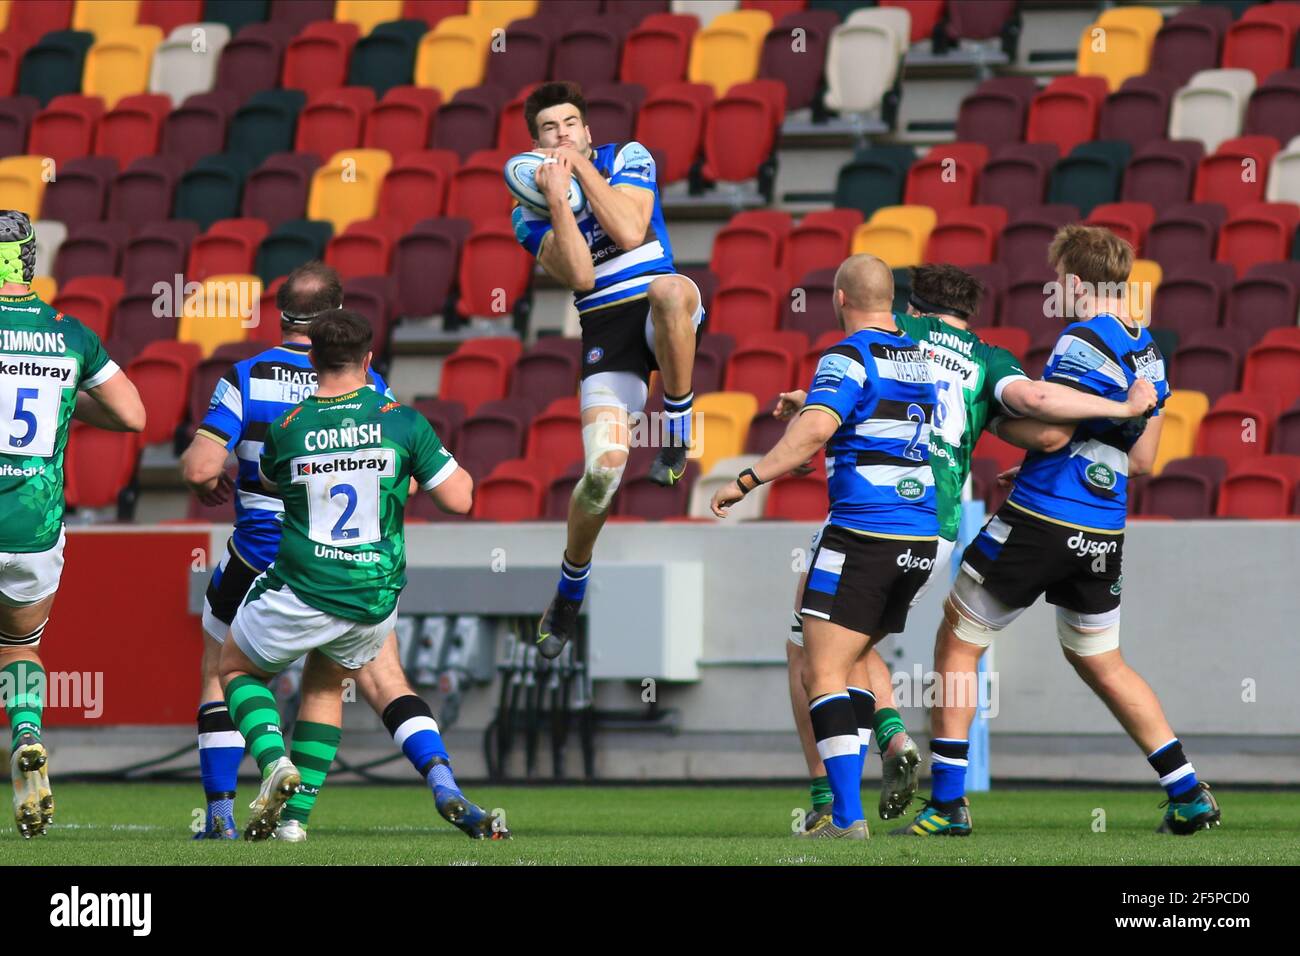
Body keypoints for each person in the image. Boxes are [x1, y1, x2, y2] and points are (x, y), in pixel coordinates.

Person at [780, 263, 1160, 832]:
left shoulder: (897, 335)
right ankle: (889, 744)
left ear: (913, 303)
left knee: (811, 646)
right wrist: (1110, 411)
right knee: (854, 643)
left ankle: (840, 798)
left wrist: (806, 417)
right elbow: (1048, 425)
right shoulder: (989, 358)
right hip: (940, 527)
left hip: (875, 510)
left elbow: (855, 394)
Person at [891, 226, 1220, 837]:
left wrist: (1012, 434)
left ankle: (948, 803)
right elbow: (1144, 460)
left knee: (958, 641)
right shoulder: (1149, 351)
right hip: (1105, 525)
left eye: (1057, 282)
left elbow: (1050, 420)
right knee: (1099, 657)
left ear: (1074, 282)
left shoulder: (1080, 340)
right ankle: (1187, 790)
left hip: (1045, 515)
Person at [181, 265, 495, 841]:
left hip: (267, 556)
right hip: (367, 574)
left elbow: (209, 468)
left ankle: (227, 810)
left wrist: (209, 481)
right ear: (362, 351)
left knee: (223, 670)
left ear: (281, 317)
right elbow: (440, 485)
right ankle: (352, 806)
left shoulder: (251, 380)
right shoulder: (386, 402)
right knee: (348, 684)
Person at [711, 254, 938, 839]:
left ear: (840, 298)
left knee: (822, 669)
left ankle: (843, 816)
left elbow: (816, 430)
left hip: (863, 531)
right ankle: (881, 744)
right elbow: (859, 417)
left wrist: (747, 480)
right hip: (919, 537)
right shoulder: (918, 358)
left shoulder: (847, 354)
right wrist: (811, 403)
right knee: (851, 657)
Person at [510, 81, 705, 660]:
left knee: (670, 291)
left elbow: (626, 231)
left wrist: (583, 174)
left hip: (660, 305)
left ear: (588, 132)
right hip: (603, 329)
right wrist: (558, 200)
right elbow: (581, 277)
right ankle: (571, 586)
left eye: (571, 123)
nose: (563, 133)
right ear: (536, 144)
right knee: (602, 472)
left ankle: (676, 425)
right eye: (550, 128)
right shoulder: (526, 209)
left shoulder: (627, 157)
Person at [0, 210, 146, 838]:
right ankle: (26, 730)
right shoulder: (71, 334)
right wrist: (66, 401)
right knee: (18, 645)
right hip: (33, 530)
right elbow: (134, 414)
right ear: (34, 263)